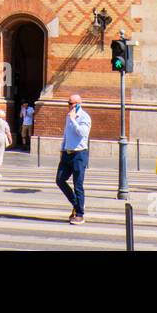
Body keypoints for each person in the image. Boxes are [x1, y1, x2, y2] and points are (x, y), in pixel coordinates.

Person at [56, 93, 91, 224]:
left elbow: (82, 133)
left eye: (71, 103)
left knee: (78, 184)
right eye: (68, 103)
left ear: (78, 104)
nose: (69, 106)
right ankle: (77, 204)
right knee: (60, 180)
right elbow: (66, 133)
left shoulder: (84, 117)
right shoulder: (69, 117)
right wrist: (62, 148)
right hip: (67, 153)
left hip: (79, 154)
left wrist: (74, 120)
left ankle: (80, 214)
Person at [0, 108, 12, 179]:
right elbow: (8, 132)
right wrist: (10, 140)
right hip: (1, 138)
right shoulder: (4, 122)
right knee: (0, 154)